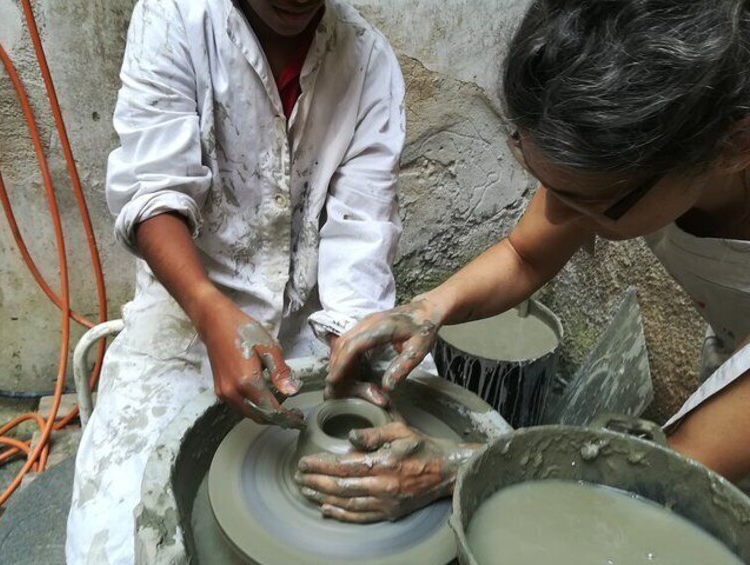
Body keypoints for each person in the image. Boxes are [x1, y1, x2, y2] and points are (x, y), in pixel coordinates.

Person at [295, 0, 750, 524]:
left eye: (587, 202)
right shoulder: (652, 156)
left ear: (732, 147)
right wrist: (426, 308)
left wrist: (454, 468)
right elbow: (524, 253)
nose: (558, 214)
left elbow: (666, 469)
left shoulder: (687, 139)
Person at [66, 0, 407, 561]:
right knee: (121, 543)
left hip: (310, 323)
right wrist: (207, 308)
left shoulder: (369, 62)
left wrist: (349, 341)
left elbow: (361, 228)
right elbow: (153, 193)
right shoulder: (175, 18)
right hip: (185, 312)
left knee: (392, 491)